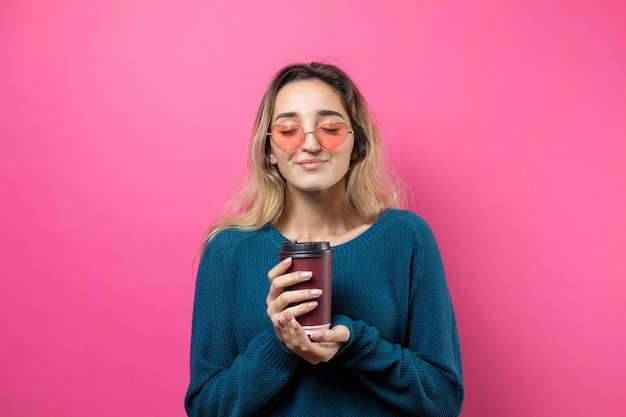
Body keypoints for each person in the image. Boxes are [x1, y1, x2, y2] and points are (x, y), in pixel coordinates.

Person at [185, 62, 464, 416]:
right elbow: (206, 409)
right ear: (269, 150)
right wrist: (281, 342)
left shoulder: (406, 237)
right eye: (289, 130)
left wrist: (354, 345)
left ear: (357, 143)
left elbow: (443, 399)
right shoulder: (228, 250)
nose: (311, 144)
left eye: (329, 128)